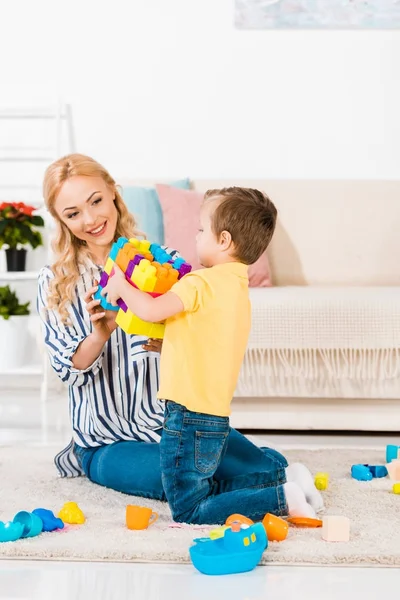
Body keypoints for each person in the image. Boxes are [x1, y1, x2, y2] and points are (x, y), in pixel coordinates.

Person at [102, 186, 323, 524]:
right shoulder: (236, 290)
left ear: (223, 240)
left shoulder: (198, 284)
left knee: (188, 506)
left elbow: (148, 310)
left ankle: (280, 498)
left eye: (201, 229)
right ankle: (288, 479)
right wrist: (171, 342)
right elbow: (207, 337)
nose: (196, 235)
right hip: (214, 415)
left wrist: (121, 287)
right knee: (209, 483)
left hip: (186, 414)